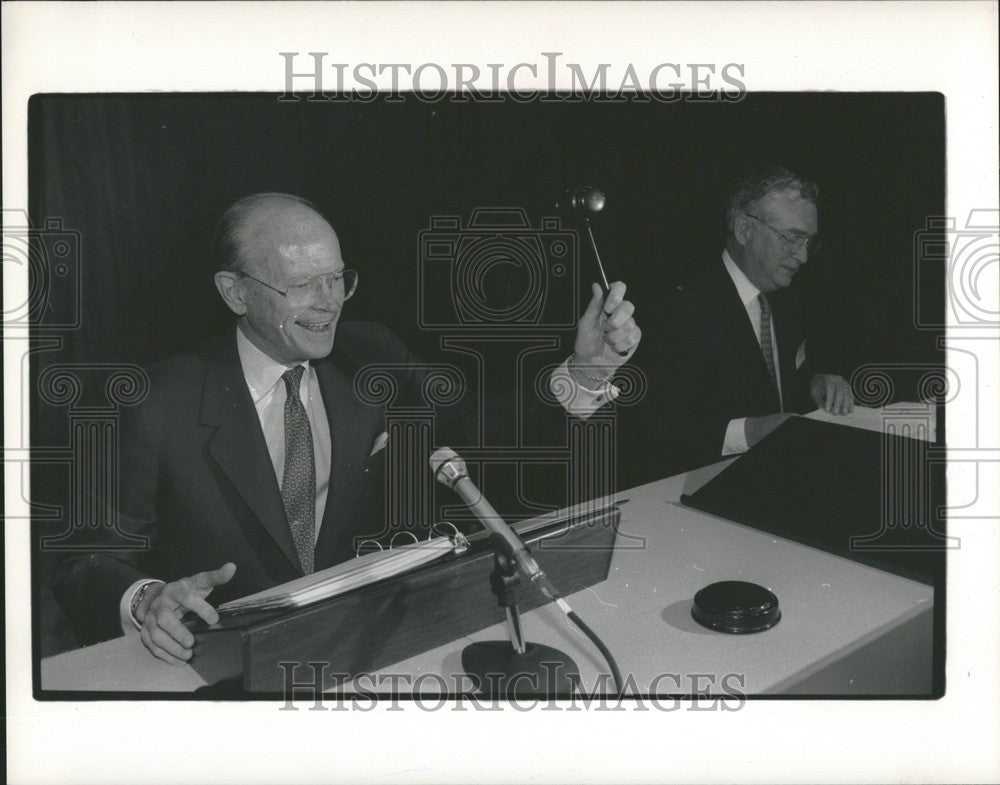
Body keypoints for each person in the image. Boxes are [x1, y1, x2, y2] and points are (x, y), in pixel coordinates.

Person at [53, 192, 641, 664]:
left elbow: (479, 427)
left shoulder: (370, 352)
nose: (329, 302)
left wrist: (584, 372)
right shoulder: (156, 401)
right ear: (235, 292)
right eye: (302, 284)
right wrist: (146, 599)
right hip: (227, 667)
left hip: (369, 649)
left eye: (337, 278)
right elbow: (85, 560)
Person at [631, 166, 853, 477]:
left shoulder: (789, 296)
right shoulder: (679, 306)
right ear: (745, 230)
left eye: (809, 243)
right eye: (792, 238)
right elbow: (654, 427)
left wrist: (818, 380)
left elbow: (779, 382)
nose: (802, 256)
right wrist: (750, 432)